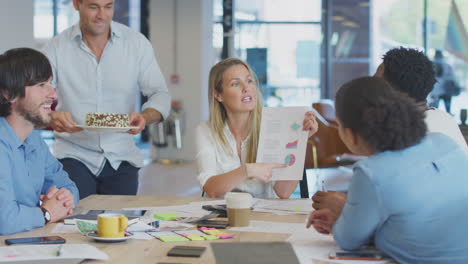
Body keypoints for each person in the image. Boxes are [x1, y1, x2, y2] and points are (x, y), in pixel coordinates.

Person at [307, 77, 468, 263]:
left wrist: (342, 219)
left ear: (351, 134)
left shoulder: (371, 172)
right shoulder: (444, 142)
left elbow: (348, 239)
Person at [312, 47, 468, 217]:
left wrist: (346, 209)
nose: (370, 83)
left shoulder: (404, 134)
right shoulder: (443, 119)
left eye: (376, 79)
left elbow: (400, 216)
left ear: (388, 91)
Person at [43, 0, 171, 199]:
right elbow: (36, 96)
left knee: (119, 227)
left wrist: (145, 117)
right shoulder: (56, 47)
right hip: (73, 154)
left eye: (108, 6)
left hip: (122, 157)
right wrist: (52, 117)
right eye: (93, 7)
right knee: (75, 225)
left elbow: (159, 93)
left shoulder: (136, 43)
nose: (102, 15)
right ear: (77, 4)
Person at [196, 58, 318, 198]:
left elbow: (283, 192)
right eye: (235, 84)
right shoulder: (205, 131)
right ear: (218, 95)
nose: (246, 88)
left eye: (249, 81)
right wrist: (248, 170)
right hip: (221, 216)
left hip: (261, 215)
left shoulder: (273, 127)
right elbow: (211, 188)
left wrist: (300, 140)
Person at [0, 48, 79, 235]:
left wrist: (63, 198)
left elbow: (69, 188)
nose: (53, 95)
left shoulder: (34, 138)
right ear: (8, 93)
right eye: (41, 84)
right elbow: (5, 220)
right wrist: (47, 213)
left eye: (51, 83)